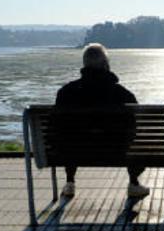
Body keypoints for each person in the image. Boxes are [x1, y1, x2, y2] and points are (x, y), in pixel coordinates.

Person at [54, 43, 149, 199]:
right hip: (116, 151)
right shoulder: (122, 94)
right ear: (106, 65)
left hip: (76, 150)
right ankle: (133, 183)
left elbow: (57, 127)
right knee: (134, 135)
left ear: (84, 64)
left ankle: (70, 182)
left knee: (69, 135)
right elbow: (136, 122)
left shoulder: (66, 92)